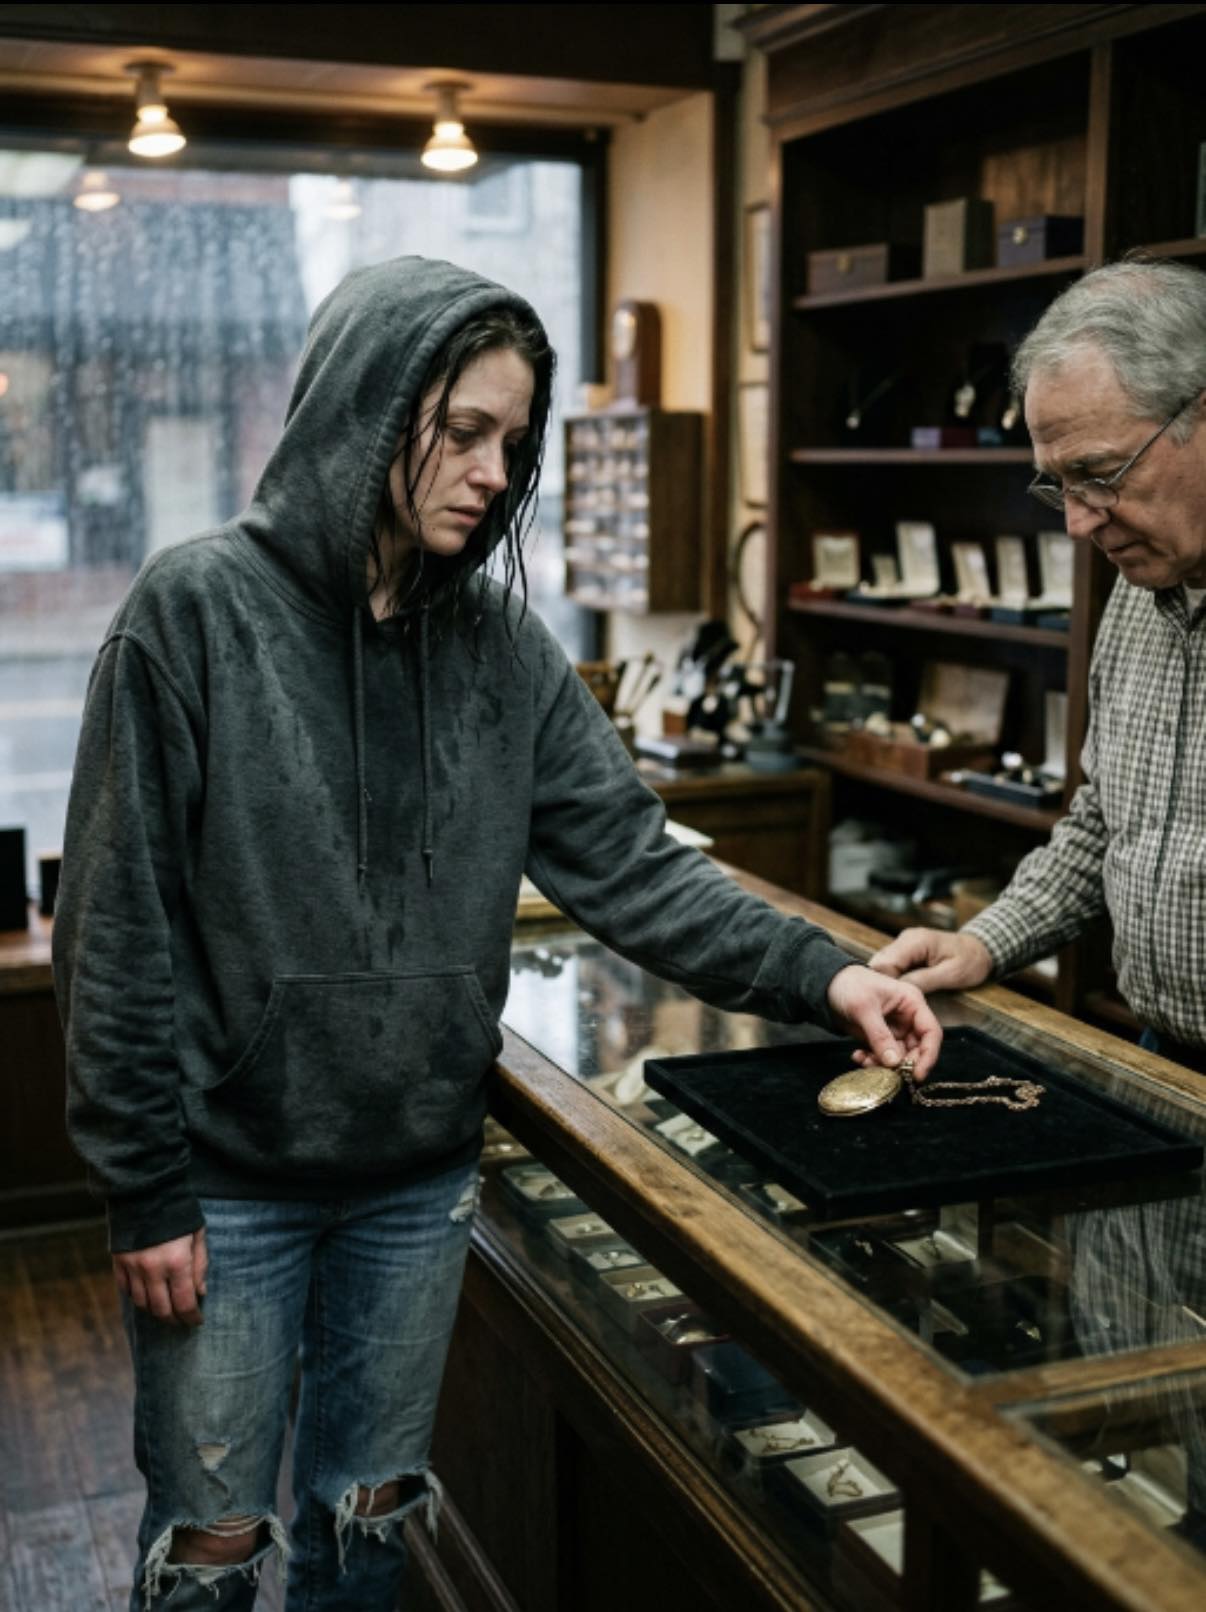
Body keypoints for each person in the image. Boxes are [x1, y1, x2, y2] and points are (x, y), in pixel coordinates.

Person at [52, 255, 940, 1612]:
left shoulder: (503, 648)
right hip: (226, 1187)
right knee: (212, 1543)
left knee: (365, 1530)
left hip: (415, 1180)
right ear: (365, 405)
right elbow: (113, 929)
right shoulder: (191, 614)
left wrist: (832, 975)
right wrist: (145, 1186)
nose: (491, 470)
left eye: (511, 442)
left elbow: (637, 871)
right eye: (461, 430)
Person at [868, 258, 1206, 1070]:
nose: (1079, 525)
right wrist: (985, 941)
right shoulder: (1137, 590)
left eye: (1100, 475)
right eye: (1059, 487)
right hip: (1163, 1057)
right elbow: (1109, 823)